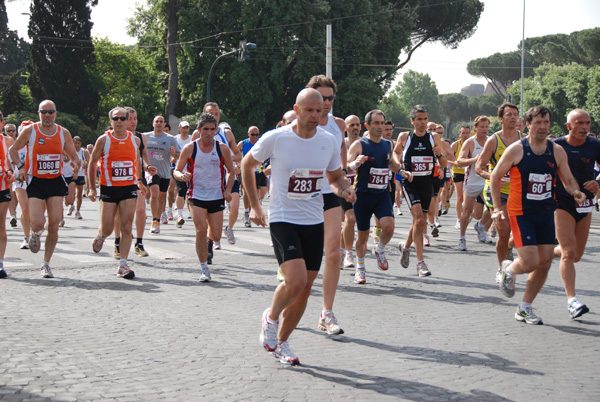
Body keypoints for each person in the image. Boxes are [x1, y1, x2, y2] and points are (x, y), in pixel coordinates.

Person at [243, 88, 355, 365]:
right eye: (310, 110)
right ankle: (270, 317)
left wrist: (343, 190)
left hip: (313, 219)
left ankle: (282, 342)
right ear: (297, 108)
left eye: (320, 110)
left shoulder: (328, 140)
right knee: (296, 280)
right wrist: (256, 206)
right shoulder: (277, 138)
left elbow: (333, 176)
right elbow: (246, 166)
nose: (316, 115)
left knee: (305, 289)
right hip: (283, 218)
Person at [492, 106, 585, 325]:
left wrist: (575, 191)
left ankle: (524, 307)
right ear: (528, 125)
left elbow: (568, 179)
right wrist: (497, 209)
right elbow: (495, 176)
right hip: (521, 213)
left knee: (544, 263)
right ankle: (509, 269)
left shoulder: (556, 151)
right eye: (538, 123)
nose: (543, 127)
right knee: (531, 261)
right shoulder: (517, 150)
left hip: (545, 212)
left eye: (546, 122)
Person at [9, 100, 81, 278]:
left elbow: (74, 155)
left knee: (54, 225)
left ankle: (46, 264)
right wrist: (21, 167)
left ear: (56, 113)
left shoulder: (63, 132)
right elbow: (13, 150)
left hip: (55, 181)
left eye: (51, 112)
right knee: (37, 222)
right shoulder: (30, 130)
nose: (47, 115)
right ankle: (35, 233)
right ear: (38, 113)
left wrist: (76, 164)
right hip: (36, 181)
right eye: (44, 112)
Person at [306, 74, 348, 336]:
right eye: (322, 97)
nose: (326, 102)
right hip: (301, 196)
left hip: (329, 193)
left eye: (330, 98)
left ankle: (326, 313)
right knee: (304, 263)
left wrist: (344, 185)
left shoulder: (338, 124)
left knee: (333, 253)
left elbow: (340, 162)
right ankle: (289, 300)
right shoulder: (296, 120)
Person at [87, 107, 147, 279]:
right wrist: (92, 188)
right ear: (111, 121)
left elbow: (136, 161)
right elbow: (92, 164)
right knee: (107, 227)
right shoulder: (103, 140)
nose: (119, 121)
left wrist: (139, 180)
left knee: (127, 226)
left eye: (123, 118)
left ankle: (123, 264)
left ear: (128, 120)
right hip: (109, 188)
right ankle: (101, 235)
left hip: (128, 187)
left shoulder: (134, 140)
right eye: (116, 118)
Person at [174, 113, 235, 282]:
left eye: (212, 129)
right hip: (196, 195)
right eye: (205, 129)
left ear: (216, 130)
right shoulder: (190, 148)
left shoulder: (222, 148)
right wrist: (182, 176)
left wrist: (228, 189)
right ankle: (204, 268)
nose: (209, 133)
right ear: (198, 130)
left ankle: (210, 241)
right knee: (200, 230)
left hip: (216, 195)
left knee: (215, 236)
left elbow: (231, 170)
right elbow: (176, 170)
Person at [347, 110, 405, 284]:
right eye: (376, 123)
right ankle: (361, 267)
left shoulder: (388, 144)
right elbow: (346, 167)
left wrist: (402, 171)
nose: (380, 127)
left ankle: (379, 249)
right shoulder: (359, 145)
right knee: (363, 236)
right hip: (363, 196)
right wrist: (356, 163)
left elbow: (391, 164)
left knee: (389, 227)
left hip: (382, 194)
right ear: (368, 125)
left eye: (382, 123)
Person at [553, 109, 600, 319]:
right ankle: (572, 300)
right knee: (570, 253)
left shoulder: (594, 145)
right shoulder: (556, 146)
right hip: (561, 202)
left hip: (585, 204)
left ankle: (548, 250)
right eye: (579, 123)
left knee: (576, 255)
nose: (584, 127)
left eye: (587, 123)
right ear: (568, 126)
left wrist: (598, 183)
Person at [393, 105, 447, 277]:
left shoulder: (434, 137)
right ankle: (420, 263)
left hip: (427, 183)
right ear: (412, 121)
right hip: (410, 183)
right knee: (419, 220)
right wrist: (400, 167)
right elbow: (395, 154)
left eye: (425, 119)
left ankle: (406, 246)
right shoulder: (405, 137)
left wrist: (439, 155)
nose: (423, 123)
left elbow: (445, 164)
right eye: (419, 119)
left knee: (420, 221)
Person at [476, 103, 524, 282]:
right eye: (509, 115)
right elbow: (479, 168)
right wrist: (493, 175)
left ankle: (509, 247)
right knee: (504, 232)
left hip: (518, 192)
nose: (513, 117)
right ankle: (500, 269)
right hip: (498, 191)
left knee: (517, 232)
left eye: (515, 115)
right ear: (501, 119)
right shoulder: (494, 141)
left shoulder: (523, 139)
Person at [113, 107, 155, 258]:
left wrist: (148, 167)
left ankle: (139, 242)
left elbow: (143, 157)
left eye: (135, 118)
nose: (133, 122)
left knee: (141, 210)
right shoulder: (113, 136)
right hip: (120, 178)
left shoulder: (140, 137)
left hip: (137, 177)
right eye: (130, 118)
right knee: (121, 214)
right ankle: (118, 242)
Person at [456, 116, 493, 250]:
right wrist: (475, 159)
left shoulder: (491, 141)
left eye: (487, 127)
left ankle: (481, 226)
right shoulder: (470, 143)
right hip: (471, 181)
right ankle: (462, 238)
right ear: (475, 128)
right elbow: (460, 161)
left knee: (494, 208)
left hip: (487, 180)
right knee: (467, 211)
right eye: (482, 127)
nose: (485, 129)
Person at [145, 115, 180, 234]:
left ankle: (158, 220)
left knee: (161, 197)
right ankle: (154, 221)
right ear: (153, 123)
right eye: (156, 121)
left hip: (164, 171)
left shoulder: (170, 138)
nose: (159, 123)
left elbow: (179, 155)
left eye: (161, 122)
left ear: (164, 124)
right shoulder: (146, 137)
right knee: (154, 194)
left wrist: (174, 153)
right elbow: (139, 152)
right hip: (151, 171)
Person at [340, 115, 361, 269]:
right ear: (345, 128)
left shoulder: (365, 144)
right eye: (352, 125)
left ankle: (341, 250)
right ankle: (348, 253)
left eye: (357, 125)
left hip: (361, 186)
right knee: (350, 218)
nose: (355, 127)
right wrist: (354, 164)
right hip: (343, 186)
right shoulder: (340, 145)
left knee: (349, 222)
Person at [239, 126, 264, 230]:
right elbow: (236, 153)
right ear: (248, 134)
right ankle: (246, 212)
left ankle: (251, 211)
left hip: (258, 170)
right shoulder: (243, 143)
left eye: (257, 135)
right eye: (252, 134)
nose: (255, 137)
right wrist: (237, 164)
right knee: (246, 192)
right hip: (246, 171)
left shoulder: (261, 142)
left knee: (256, 193)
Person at [0, 111, 15, 278]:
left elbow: (9, 163)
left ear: (2, 123)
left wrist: (11, 172)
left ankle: (0, 263)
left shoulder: (7, 141)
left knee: (0, 225)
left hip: (2, 186)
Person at [450, 125, 471, 228]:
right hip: (458, 172)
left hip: (470, 173)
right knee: (460, 196)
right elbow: (447, 159)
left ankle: (467, 214)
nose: (465, 135)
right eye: (463, 133)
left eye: (467, 133)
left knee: (469, 197)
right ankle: (458, 219)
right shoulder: (455, 145)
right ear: (459, 134)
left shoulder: (472, 143)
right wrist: (457, 163)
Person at [174, 121, 192, 228]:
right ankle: (179, 215)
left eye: (187, 127)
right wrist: (174, 155)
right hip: (179, 169)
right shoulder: (175, 139)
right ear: (179, 128)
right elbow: (173, 153)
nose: (185, 130)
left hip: (191, 170)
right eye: (183, 127)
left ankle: (191, 212)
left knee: (190, 192)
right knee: (181, 190)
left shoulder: (192, 139)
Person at [68, 136, 88, 220]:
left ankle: (78, 210)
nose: (77, 145)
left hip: (80, 174)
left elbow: (89, 161)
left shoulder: (84, 152)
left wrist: (85, 164)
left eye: (79, 143)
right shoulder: (70, 151)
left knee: (79, 193)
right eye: (75, 143)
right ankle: (71, 205)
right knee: (72, 192)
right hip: (72, 173)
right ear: (73, 143)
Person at [3, 123, 18, 228]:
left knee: (15, 195)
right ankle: (12, 215)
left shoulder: (21, 141)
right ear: (5, 131)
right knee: (10, 192)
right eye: (9, 131)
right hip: (6, 170)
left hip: (17, 170)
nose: (11, 132)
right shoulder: (4, 141)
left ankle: (13, 212)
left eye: (13, 130)